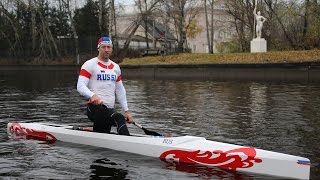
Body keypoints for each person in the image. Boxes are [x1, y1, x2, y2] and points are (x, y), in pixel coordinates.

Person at [77, 37, 133, 135]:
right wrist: (92, 95)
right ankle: (130, 146)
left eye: (109, 47)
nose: (106, 50)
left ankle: (97, 141)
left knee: (102, 133)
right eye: (103, 47)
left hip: (109, 109)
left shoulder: (116, 67)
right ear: (98, 48)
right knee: (119, 118)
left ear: (112, 49)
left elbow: (120, 90)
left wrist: (126, 110)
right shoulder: (89, 64)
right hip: (95, 108)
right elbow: (80, 86)